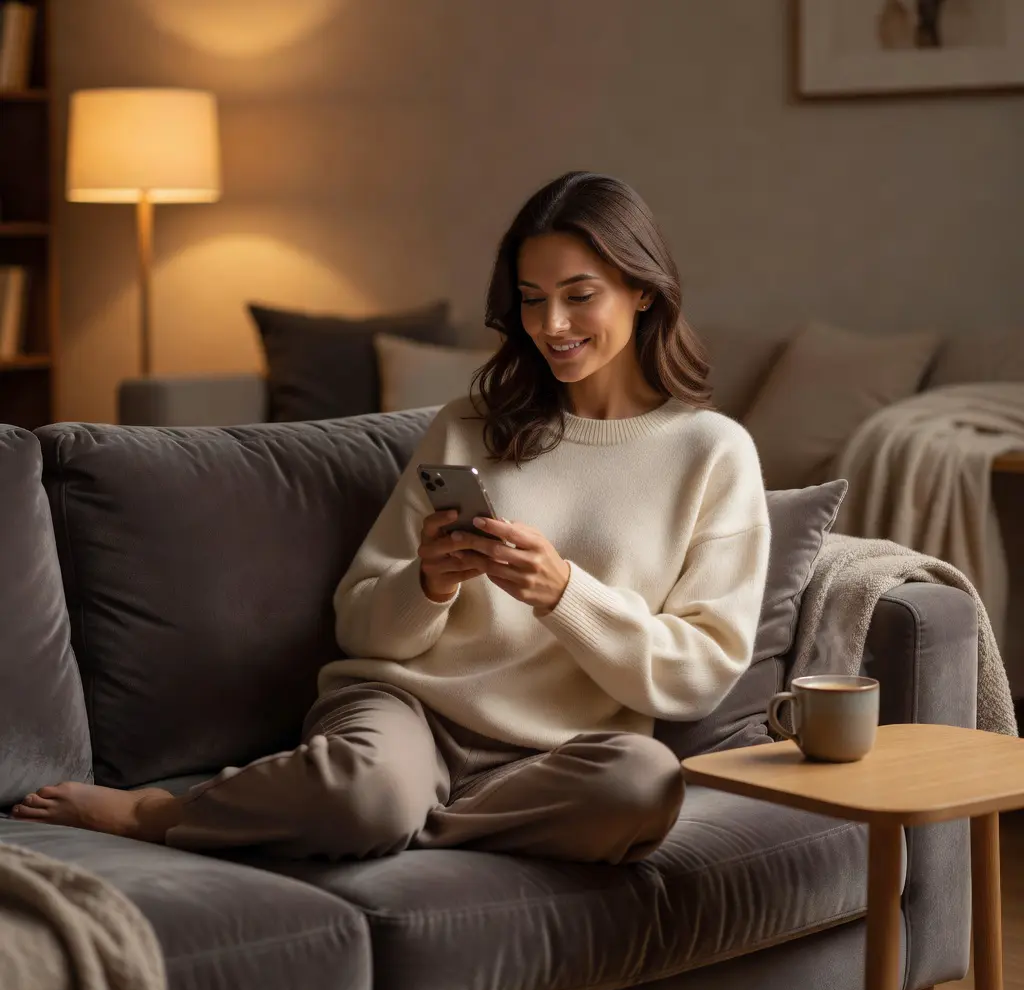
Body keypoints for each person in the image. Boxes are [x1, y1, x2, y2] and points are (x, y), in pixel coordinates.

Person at [12, 171, 770, 865]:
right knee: (370, 787)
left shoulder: (712, 453)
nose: (552, 323)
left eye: (580, 294)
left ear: (642, 290)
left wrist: (563, 591)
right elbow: (361, 626)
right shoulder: (470, 427)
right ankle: (166, 811)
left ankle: (399, 819)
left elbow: (699, 673)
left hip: (558, 752)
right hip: (410, 713)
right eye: (532, 299)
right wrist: (429, 585)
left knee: (643, 785)